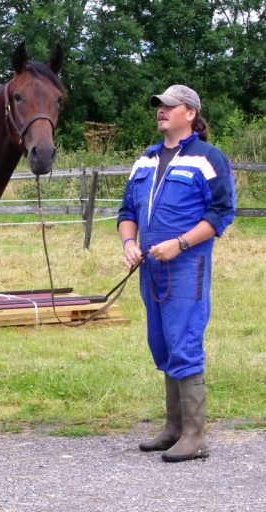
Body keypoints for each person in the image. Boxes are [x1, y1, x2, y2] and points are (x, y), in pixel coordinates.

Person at [117, 84, 236, 462]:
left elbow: (221, 213)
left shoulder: (208, 158)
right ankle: (173, 428)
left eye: (168, 106)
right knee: (163, 343)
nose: (160, 111)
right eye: (158, 106)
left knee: (184, 340)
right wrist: (129, 244)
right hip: (149, 266)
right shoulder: (145, 160)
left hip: (187, 264)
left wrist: (180, 244)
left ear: (189, 113)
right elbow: (126, 213)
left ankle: (195, 436)